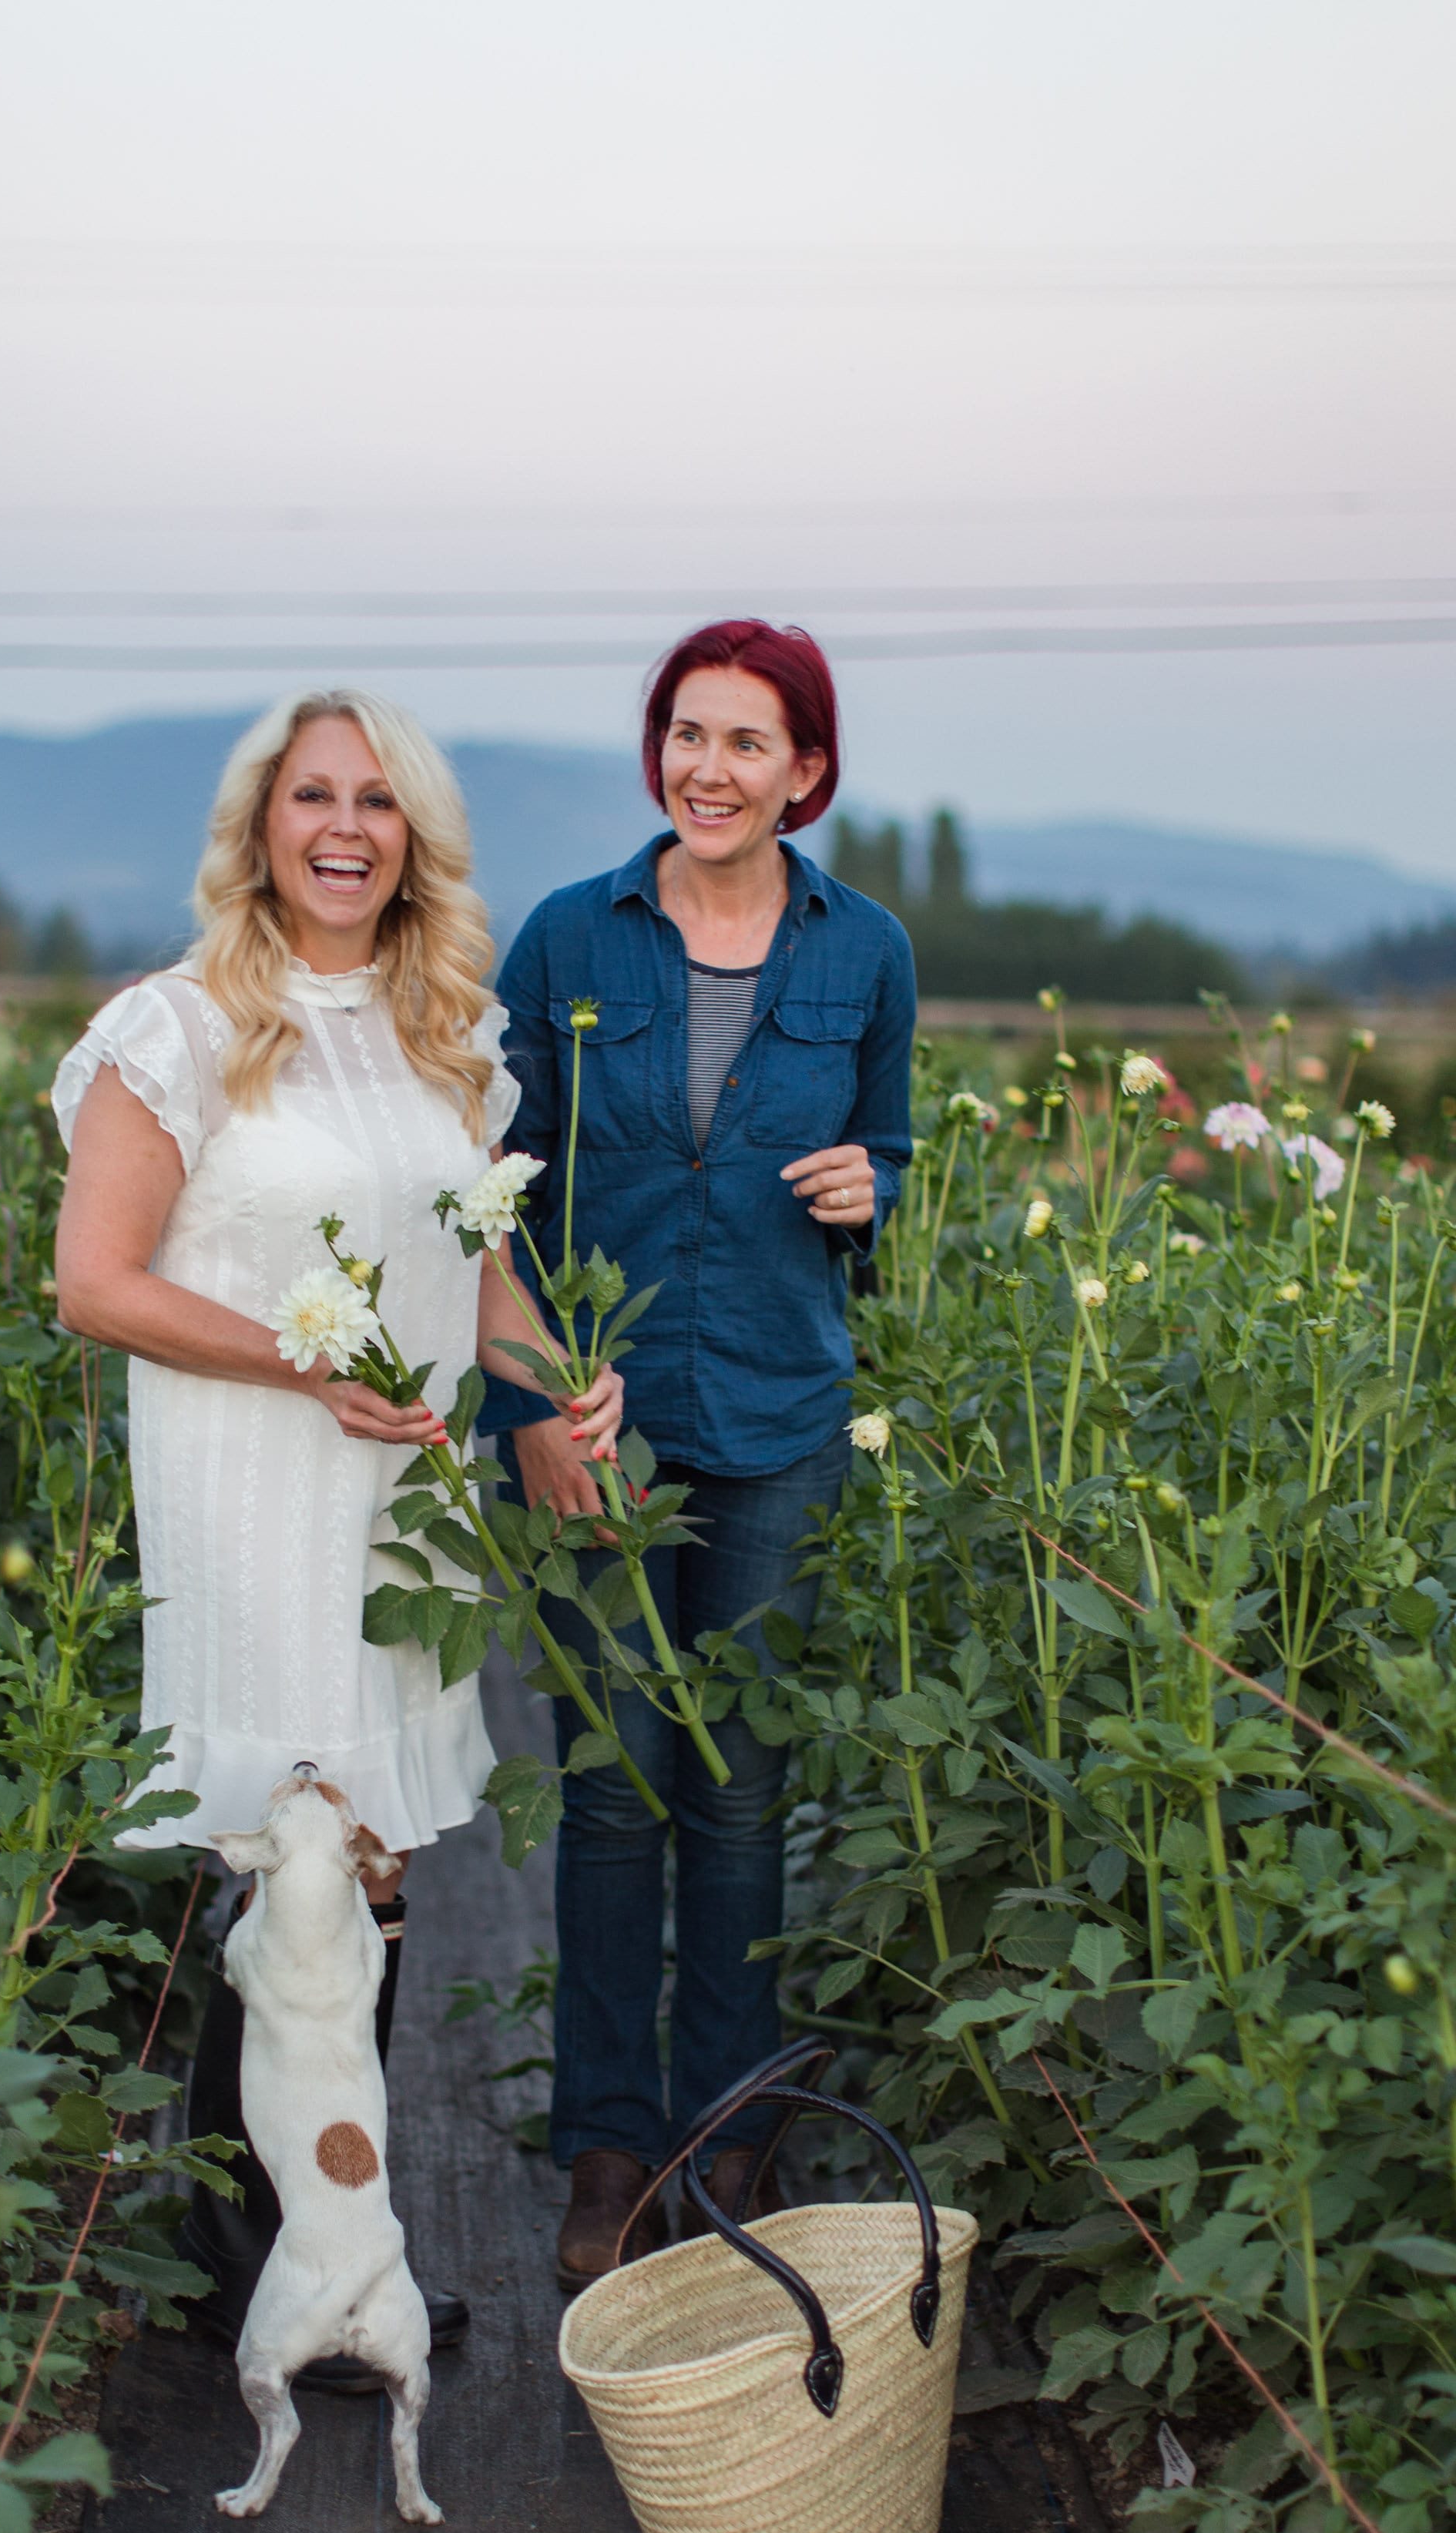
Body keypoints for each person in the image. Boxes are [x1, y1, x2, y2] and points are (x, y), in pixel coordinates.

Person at [52, 687, 622, 2382]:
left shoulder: (443, 1035)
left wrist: (561, 1391)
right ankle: (238, 2254)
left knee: (367, 1882)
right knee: (263, 1868)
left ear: (416, 838)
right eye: (314, 796)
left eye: (378, 801)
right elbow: (96, 1282)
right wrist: (305, 1362)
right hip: (250, 1492)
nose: (346, 828)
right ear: (260, 824)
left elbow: (481, 1270)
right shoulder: (176, 1029)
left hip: (401, 1512)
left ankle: (338, 2239)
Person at [482, 619, 915, 2290]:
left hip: (779, 1421)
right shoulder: (568, 938)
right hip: (602, 1416)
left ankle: (726, 2131)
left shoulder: (861, 950)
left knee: (742, 1800)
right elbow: (488, 1200)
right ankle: (606, 2150)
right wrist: (532, 1419)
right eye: (686, 734)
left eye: (748, 742)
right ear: (654, 751)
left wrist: (871, 1194)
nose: (710, 769)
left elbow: (880, 1155)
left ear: (806, 769)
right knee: (610, 1796)